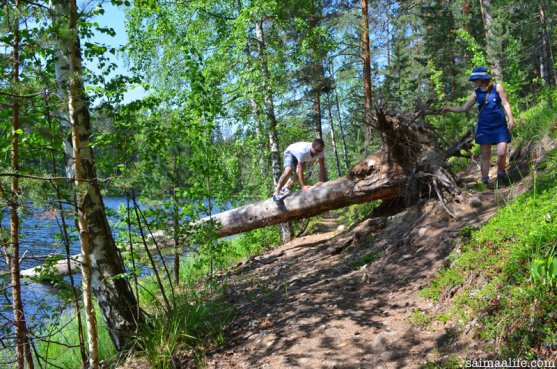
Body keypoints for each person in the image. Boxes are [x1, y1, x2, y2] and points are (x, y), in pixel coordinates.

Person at [441, 66, 515, 186]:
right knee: (486, 155)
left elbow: (506, 103)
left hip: (499, 126)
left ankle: (501, 176)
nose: (474, 81)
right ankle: (485, 182)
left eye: (476, 79)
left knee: (502, 152)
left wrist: (511, 119)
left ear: (482, 78)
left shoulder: (498, 87)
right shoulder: (476, 93)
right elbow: (464, 108)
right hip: (484, 127)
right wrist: (449, 109)